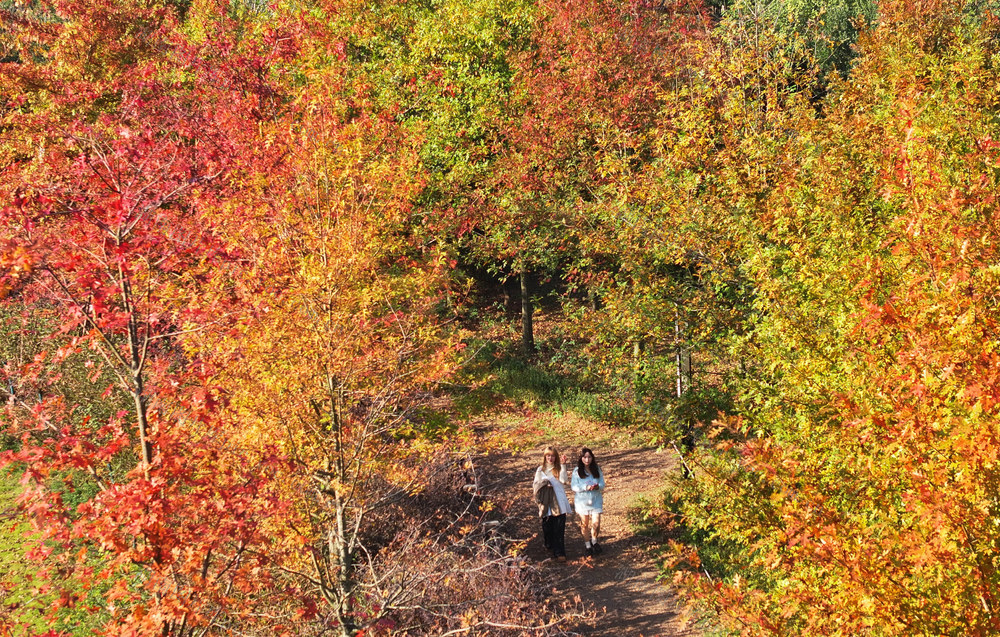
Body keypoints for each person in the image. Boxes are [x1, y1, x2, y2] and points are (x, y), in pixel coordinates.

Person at [532, 445, 570, 561]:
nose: (550, 458)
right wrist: (544, 485)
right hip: (546, 503)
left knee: (559, 528)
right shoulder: (540, 470)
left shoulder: (558, 468)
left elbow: (564, 480)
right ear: (545, 457)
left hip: (559, 502)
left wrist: (563, 466)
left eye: (553, 456)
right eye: (548, 456)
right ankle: (549, 544)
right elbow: (535, 485)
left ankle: (560, 553)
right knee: (547, 527)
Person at [571, 447, 605, 557]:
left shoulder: (597, 469)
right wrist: (585, 487)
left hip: (595, 500)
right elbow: (574, 486)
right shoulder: (577, 471)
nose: (587, 459)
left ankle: (594, 541)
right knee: (584, 524)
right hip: (582, 502)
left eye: (589, 457)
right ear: (581, 458)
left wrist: (597, 486)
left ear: (592, 458)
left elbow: (602, 483)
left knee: (596, 523)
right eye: (584, 457)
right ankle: (588, 545)